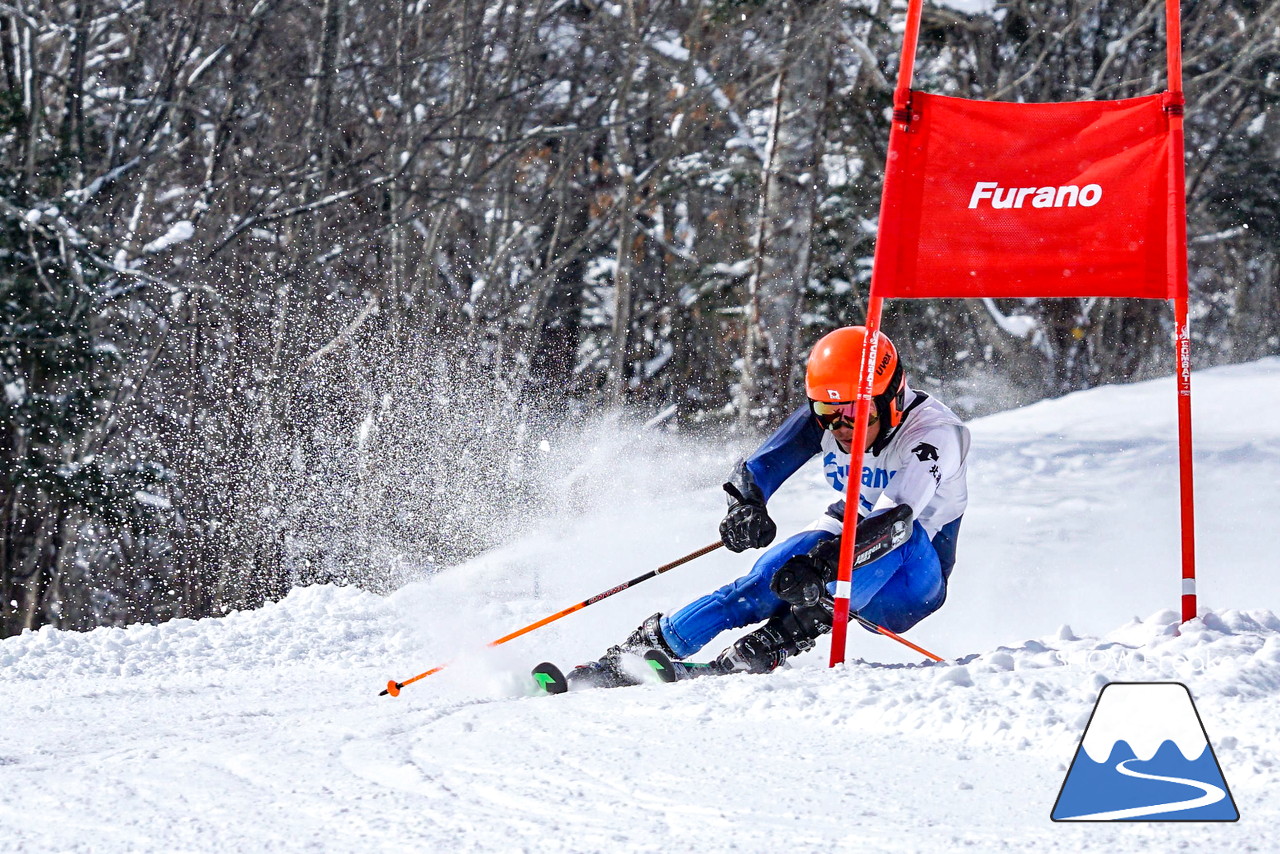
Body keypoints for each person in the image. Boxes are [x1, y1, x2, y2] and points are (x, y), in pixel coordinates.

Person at [571, 325, 971, 686]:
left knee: (878, 545)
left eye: (854, 413)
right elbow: (755, 470)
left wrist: (820, 564)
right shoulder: (834, 414)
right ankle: (643, 652)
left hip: (910, 582)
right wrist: (745, 507)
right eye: (826, 412)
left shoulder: (935, 436)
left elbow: (894, 522)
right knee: (765, 580)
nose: (840, 427)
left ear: (892, 400)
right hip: (847, 536)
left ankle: (779, 638)